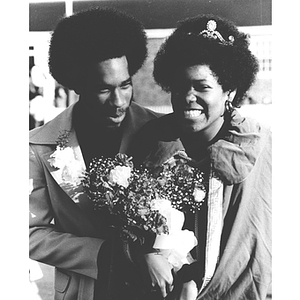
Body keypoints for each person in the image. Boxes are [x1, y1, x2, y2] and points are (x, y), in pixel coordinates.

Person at [29, 7, 173, 300]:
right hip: (84, 291)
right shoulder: (39, 145)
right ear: (77, 86)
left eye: (125, 84)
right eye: (103, 89)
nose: (118, 101)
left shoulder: (165, 133)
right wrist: (103, 253)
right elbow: (29, 233)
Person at [130, 14, 272, 299]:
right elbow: (130, 223)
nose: (187, 97)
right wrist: (145, 252)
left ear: (230, 90)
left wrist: (197, 282)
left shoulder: (256, 146)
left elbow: (256, 244)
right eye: (180, 86)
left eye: (202, 87)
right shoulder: (151, 140)